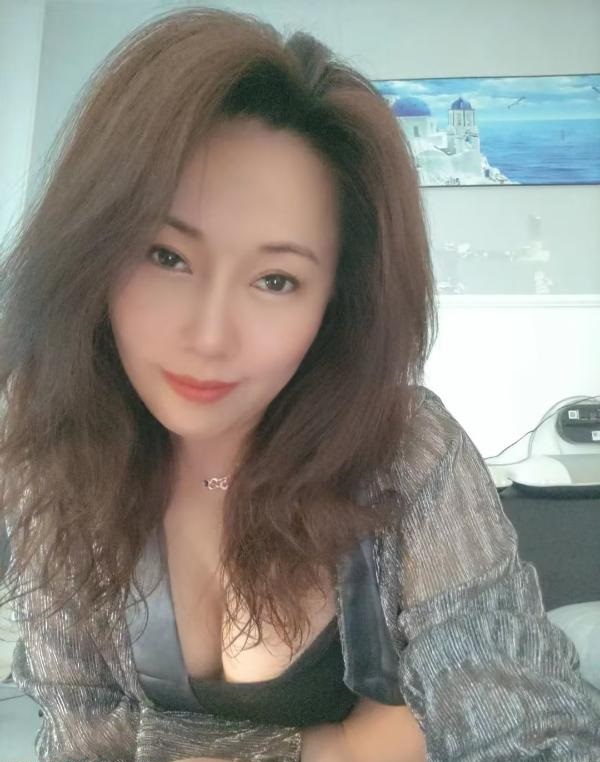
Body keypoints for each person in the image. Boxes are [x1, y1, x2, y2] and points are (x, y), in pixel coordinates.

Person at [0, 7, 599, 762]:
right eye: (166, 256)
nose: (209, 336)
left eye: (276, 279)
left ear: (334, 303)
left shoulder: (407, 453)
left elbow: (528, 725)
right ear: (92, 247)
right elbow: (81, 732)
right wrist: (338, 748)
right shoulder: (51, 457)